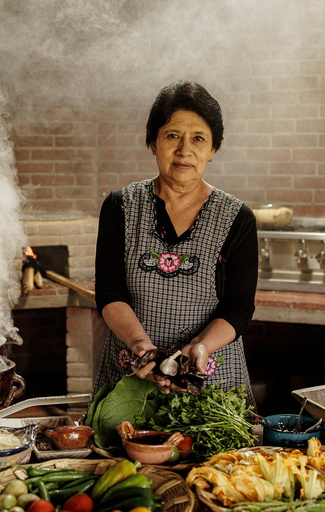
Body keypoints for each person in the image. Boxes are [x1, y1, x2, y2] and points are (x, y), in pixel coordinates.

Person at [93, 79, 259, 407]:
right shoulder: (120, 207)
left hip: (212, 384)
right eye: (173, 136)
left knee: (217, 459)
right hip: (132, 378)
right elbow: (110, 292)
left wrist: (200, 347)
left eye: (198, 139)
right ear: (153, 143)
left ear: (212, 150)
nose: (185, 150)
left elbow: (238, 307)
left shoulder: (238, 218)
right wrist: (140, 344)